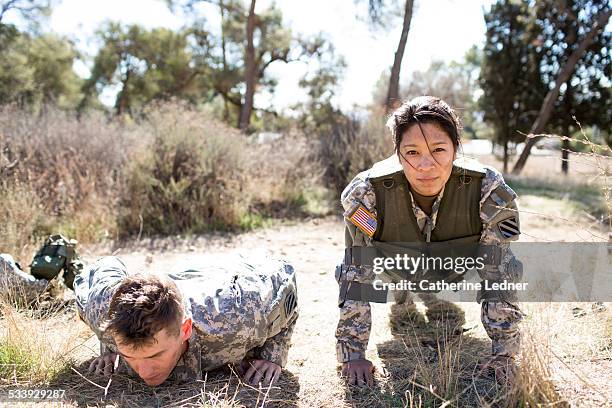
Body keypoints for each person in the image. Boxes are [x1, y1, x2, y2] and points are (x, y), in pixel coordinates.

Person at [335, 96, 523, 386]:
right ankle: (404, 294)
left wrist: (505, 352)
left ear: (456, 149)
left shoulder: (487, 189)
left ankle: (422, 292)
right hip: (393, 269)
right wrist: (353, 354)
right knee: (390, 295)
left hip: (454, 271)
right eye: (412, 151)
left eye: (439, 150)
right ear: (398, 153)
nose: (426, 165)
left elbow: (498, 270)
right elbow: (357, 269)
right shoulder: (366, 192)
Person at [1, 250, 298, 387]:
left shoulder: (239, 314)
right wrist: (109, 348)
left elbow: (285, 278)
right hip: (171, 278)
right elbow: (105, 264)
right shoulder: (101, 309)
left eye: (154, 355)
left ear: (185, 330)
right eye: (130, 355)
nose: (143, 370)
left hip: (226, 274)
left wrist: (272, 354)